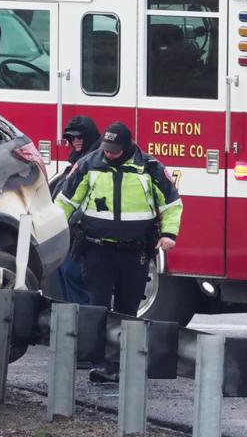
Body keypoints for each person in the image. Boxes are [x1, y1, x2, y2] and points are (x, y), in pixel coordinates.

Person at [56, 121, 183, 383]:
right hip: (96, 247)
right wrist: (55, 230)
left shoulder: (149, 168)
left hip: (134, 250)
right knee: (97, 305)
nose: (109, 153)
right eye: (106, 148)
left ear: (128, 146)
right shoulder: (90, 164)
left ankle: (123, 361)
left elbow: (172, 203)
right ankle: (100, 363)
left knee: (128, 307)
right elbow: (66, 201)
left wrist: (169, 234)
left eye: (114, 149)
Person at [52, 115, 102, 305]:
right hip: (72, 231)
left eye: (79, 137)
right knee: (65, 272)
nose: (75, 141)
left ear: (88, 136)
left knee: (73, 273)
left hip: (87, 232)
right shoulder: (81, 159)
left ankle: (81, 321)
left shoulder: (94, 160)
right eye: (71, 138)